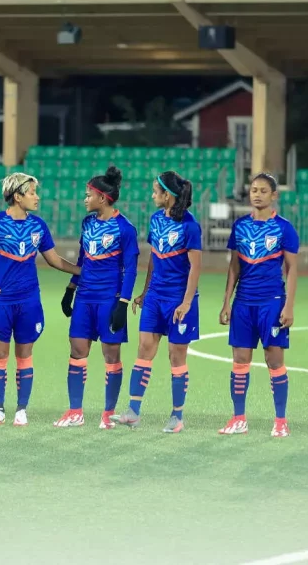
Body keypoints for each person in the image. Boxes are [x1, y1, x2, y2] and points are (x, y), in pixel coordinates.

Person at [0, 172, 81, 427]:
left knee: (25, 354)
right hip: (0, 301)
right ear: (17, 196)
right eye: (32, 192)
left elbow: (54, 260)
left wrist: (83, 272)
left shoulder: (39, 226)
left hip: (29, 301)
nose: (37, 197)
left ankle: (21, 410)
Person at [111, 171, 199, 434]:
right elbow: (154, 258)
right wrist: (145, 292)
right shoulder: (155, 219)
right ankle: (133, 412)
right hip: (155, 297)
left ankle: (177, 416)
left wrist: (185, 303)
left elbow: (195, 268)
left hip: (178, 300)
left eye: (155, 191)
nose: (152, 195)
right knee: (144, 349)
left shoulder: (190, 225)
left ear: (167, 195)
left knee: (176, 356)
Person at [55, 166, 139, 430]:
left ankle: (108, 414)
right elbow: (83, 260)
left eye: (88, 194)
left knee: (111, 356)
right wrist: (71, 288)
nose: (85, 199)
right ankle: (75, 411)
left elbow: (132, 268)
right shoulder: (87, 223)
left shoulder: (125, 229)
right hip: (84, 298)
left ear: (102, 198)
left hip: (109, 300)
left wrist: (122, 304)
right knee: (77, 351)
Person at [217, 173, 299, 437]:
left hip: (271, 303)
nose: (257, 194)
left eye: (263, 190)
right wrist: (226, 301)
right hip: (243, 303)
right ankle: (239, 418)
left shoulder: (285, 228)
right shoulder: (239, 226)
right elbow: (234, 266)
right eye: (253, 189)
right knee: (240, 361)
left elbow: (292, 269)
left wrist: (289, 306)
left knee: (274, 360)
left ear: (274, 196)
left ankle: (280, 421)